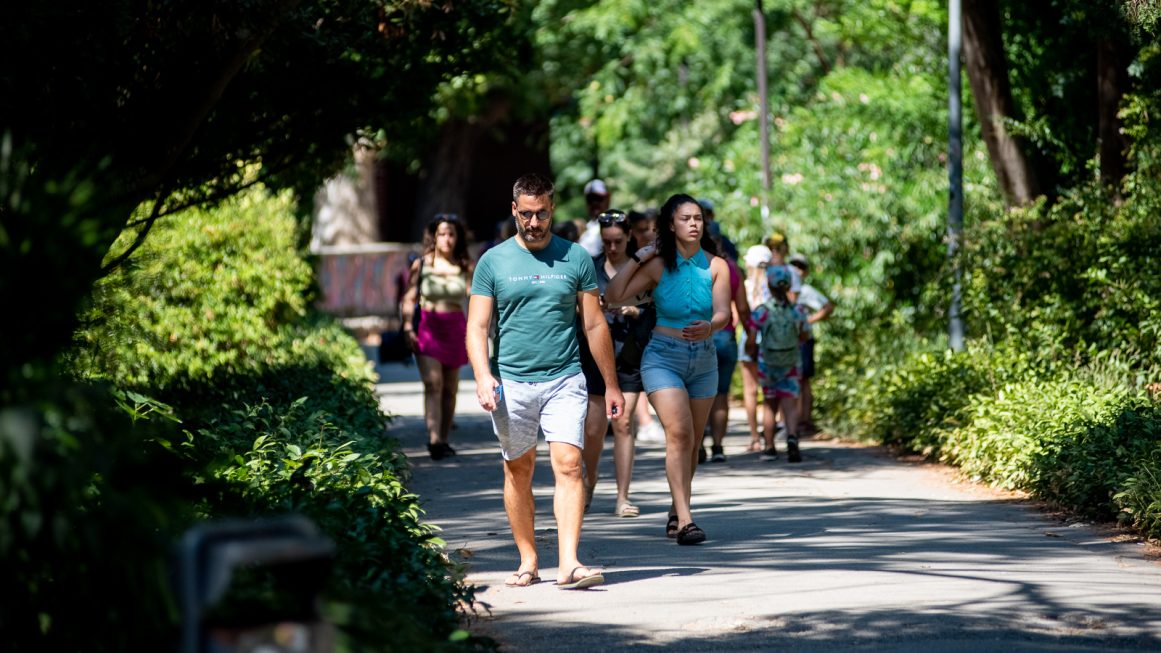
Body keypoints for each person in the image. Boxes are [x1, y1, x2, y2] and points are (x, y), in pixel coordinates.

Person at [466, 173, 623, 590]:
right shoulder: (493, 261)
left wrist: (611, 384)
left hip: (564, 378)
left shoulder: (575, 258)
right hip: (512, 381)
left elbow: (594, 324)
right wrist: (482, 375)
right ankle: (528, 558)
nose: (534, 222)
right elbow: (477, 326)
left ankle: (569, 562)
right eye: (526, 214)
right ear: (514, 210)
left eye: (541, 214)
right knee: (518, 470)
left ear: (552, 209)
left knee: (569, 465)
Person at [605, 193, 731, 545]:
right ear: (671, 225)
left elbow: (724, 313)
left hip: (704, 359)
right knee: (679, 434)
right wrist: (639, 256)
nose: (693, 224)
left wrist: (711, 326)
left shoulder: (717, 266)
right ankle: (687, 521)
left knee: (692, 442)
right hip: (663, 357)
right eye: (685, 218)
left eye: (698, 218)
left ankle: (677, 509)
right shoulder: (658, 264)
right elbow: (613, 295)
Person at [579, 209, 653, 518]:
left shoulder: (641, 268)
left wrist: (635, 310)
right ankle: (590, 479)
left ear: (629, 237)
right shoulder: (590, 268)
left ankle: (623, 497)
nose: (612, 247)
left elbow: (657, 305)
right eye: (607, 241)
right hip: (596, 356)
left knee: (623, 424)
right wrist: (592, 309)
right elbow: (575, 309)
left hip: (630, 353)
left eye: (618, 241)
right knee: (593, 430)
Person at [401, 214, 473, 460]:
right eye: (442, 234)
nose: (447, 239)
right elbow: (409, 298)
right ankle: (434, 440)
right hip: (429, 327)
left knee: (450, 389)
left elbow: (475, 298)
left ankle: (443, 438)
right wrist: (408, 327)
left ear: (457, 237)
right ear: (434, 237)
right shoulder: (422, 264)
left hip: (455, 328)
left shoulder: (464, 265)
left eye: (451, 234)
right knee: (433, 384)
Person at [746, 264, 808, 462]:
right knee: (790, 404)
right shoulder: (798, 310)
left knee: (769, 404)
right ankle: (792, 439)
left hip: (768, 363)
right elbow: (804, 335)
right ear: (788, 285)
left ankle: (769, 447)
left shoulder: (762, 311)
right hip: (792, 361)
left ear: (769, 286)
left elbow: (751, 339)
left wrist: (751, 351)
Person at [702, 221, 750, 463]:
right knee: (721, 394)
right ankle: (718, 447)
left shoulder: (693, 266)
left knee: (698, 394)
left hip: (698, 336)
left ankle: (698, 445)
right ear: (719, 241)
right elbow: (742, 307)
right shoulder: (731, 268)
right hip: (725, 336)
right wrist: (751, 335)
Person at [626, 209, 664, 444]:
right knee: (638, 373)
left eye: (653, 230)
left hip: (660, 328)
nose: (648, 235)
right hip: (633, 332)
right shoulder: (631, 260)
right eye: (642, 231)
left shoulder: (668, 259)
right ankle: (645, 421)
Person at [788, 253, 834, 435]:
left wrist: (808, 320)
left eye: (800, 266)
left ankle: (804, 420)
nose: (797, 269)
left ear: (805, 271)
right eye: (794, 265)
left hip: (804, 340)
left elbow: (828, 307)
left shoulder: (806, 290)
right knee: (790, 379)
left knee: (803, 379)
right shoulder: (784, 288)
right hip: (786, 340)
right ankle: (790, 421)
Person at [739, 244, 773, 452]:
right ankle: (769, 437)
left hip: (748, 337)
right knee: (769, 390)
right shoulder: (775, 286)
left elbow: (739, 313)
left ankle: (755, 438)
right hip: (771, 340)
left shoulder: (745, 286)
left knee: (750, 390)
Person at [577, 179, 611, 257]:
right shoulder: (584, 228)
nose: (594, 203)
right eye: (590, 199)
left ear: (608, 199)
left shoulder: (617, 223)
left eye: (598, 198)